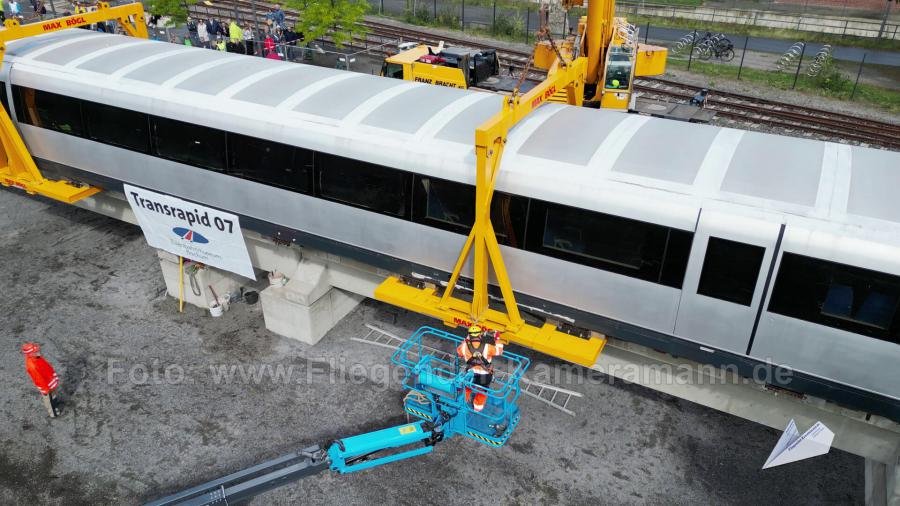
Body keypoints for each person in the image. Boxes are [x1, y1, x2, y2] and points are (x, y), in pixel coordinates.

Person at [456, 325, 504, 413]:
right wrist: (497, 337)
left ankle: (461, 406)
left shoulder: (463, 347)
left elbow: (458, 352)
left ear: (469, 336)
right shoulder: (487, 347)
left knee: (467, 389)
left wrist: (466, 340)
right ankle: (477, 408)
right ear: (480, 336)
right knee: (482, 392)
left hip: (471, 375)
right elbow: (499, 351)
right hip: (485, 377)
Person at [22, 343, 62, 418]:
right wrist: (45, 389)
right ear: (30, 354)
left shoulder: (36, 357)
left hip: (49, 380)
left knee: (53, 395)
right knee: (49, 399)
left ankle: (55, 403)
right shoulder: (32, 366)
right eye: (35, 351)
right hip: (46, 385)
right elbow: (38, 380)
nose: (38, 351)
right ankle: (53, 413)